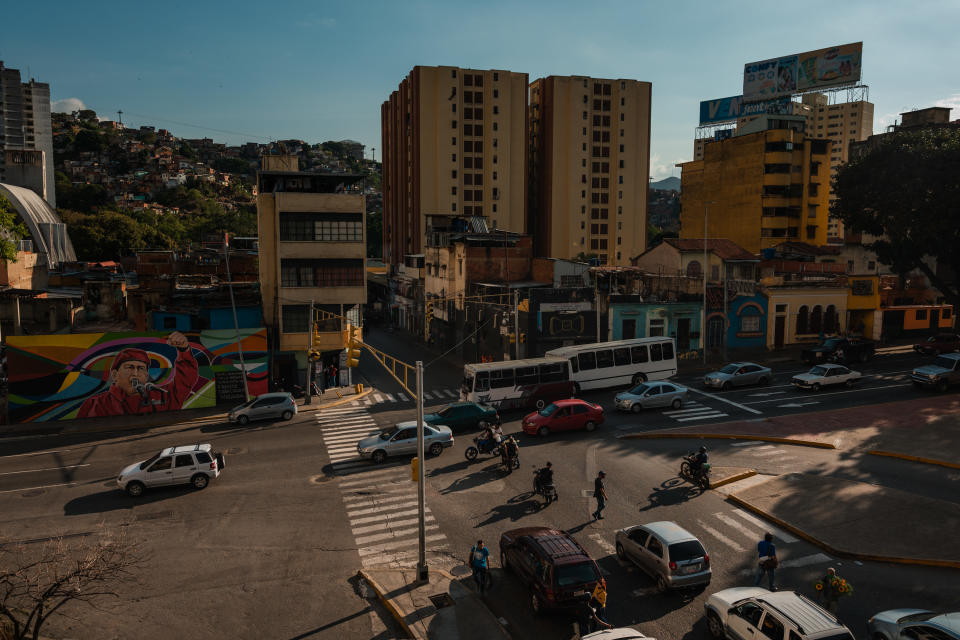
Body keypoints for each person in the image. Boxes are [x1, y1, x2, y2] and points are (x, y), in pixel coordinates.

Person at [77, 332, 199, 418]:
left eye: (140, 368)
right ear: (114, 375)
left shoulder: (163, 395)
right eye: (129, 367)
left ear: (146, 375)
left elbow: (185, 380)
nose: (135, 374)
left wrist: (184, 349)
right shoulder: (95, 404)